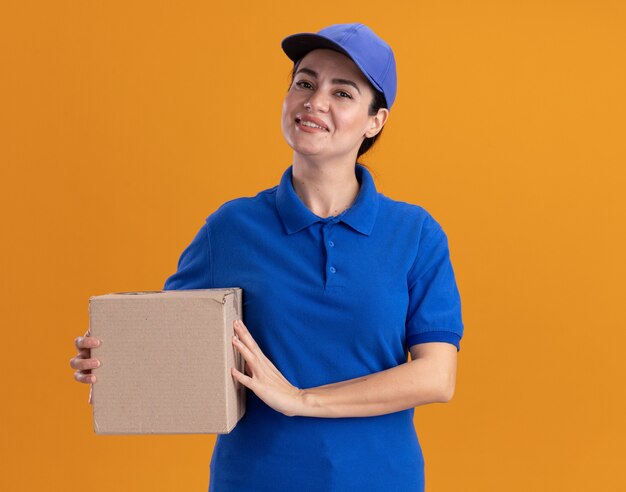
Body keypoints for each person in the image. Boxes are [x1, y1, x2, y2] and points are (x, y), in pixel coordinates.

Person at [71, 23, 464, 491]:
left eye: (343, 93)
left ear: (375, 121)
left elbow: (437, 376)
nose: (315, 101)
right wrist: (110, 358)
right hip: (256, 479)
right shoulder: (232, 229)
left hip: (380, 479)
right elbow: (169, 344)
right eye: (305, 82)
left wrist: (300, 399)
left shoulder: (415, 234)